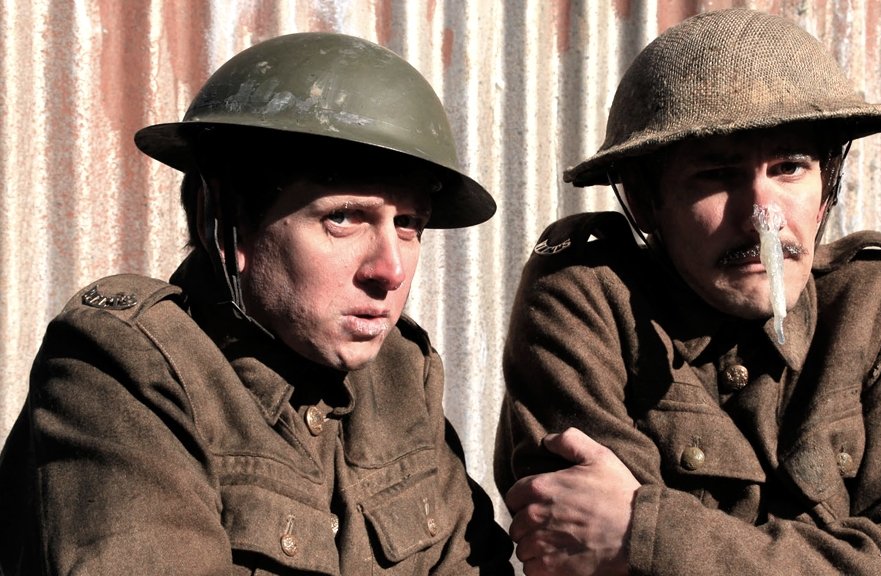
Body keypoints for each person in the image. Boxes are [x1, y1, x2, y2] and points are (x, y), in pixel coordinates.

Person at [0, 32, 512, 575]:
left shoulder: (401, 373)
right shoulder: (123, 365)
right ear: (225, 221)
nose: (391, 270)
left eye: (408, 224)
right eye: (343, 217)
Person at [494, 8, 881, 576]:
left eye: (789, 167)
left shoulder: (878, 303)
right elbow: (580, 552)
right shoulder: (586, 297)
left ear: (826, 187)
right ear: (647, 203)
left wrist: (645, 533)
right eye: (717, 175)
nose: (762, 217)